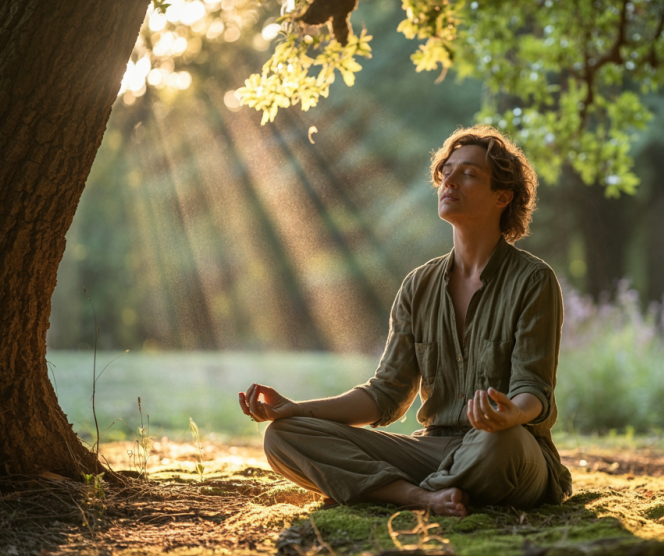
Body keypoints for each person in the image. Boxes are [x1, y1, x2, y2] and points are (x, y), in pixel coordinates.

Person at [238, 125, 572, 516]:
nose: (450, 179)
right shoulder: (418, 285)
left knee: (502, 443)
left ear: (503, 196)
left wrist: (511, 414)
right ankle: (422, 497)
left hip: (503, 450)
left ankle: (383, 490)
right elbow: (384, 396)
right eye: (446, 171)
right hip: (429, 449)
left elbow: (534, 392)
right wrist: (295, 409)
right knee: (283, 437)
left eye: (468, 173)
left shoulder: (533, 280)